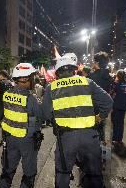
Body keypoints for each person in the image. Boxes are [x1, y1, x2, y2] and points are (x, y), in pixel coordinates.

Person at [42, 52, 113, 188]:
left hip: (65, 138)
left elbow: (45, 113)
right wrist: (100, 117)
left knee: (62, 173)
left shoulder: (51, 87)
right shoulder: (87, 82)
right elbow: (108, 102)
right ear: (74, 69)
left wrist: (55, 121)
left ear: (57, 72)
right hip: (89, 136)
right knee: (94, 174)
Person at [0, 63, 43, 188]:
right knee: (29, 173)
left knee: (7, 171)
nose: (33, 80)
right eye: (32, 77)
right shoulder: (30, 98)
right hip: (26, 139)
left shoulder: (7, 94)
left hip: (9, 138)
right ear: (25, 79)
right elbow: (40, 117)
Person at [90, 51, 113, 141]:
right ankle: (101, 148)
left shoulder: (93, 77)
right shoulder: (108, 75)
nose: (92, 63)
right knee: (101, 129)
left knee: (93, 131)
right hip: (104, 108)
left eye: (94, 61)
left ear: (97, 63)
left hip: (93, 108)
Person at [110, 70, 126, 147]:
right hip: (124, 106)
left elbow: (111, 93)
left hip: (116, 106)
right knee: (121, 123)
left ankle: (115, 139)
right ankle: (119, 139)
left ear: (118, 76)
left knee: (116, 123)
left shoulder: (116, 84)